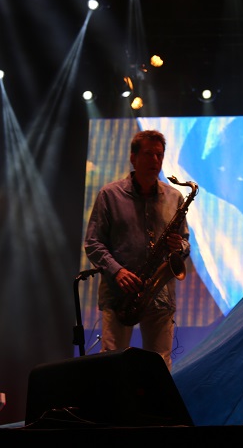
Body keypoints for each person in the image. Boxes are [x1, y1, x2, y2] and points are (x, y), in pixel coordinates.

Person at [84, 129, 190, 371]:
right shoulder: (109, 195)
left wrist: (179, 247)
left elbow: (185, 243)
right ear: (133, 157)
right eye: (149, 154)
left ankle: (156, 410)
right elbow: (93, 242)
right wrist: (117, 272)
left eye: (159, 155)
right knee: (111, 362)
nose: (155, 161)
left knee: (160, 366)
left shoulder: (174, 197)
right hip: (120, 294)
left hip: (160, 295)